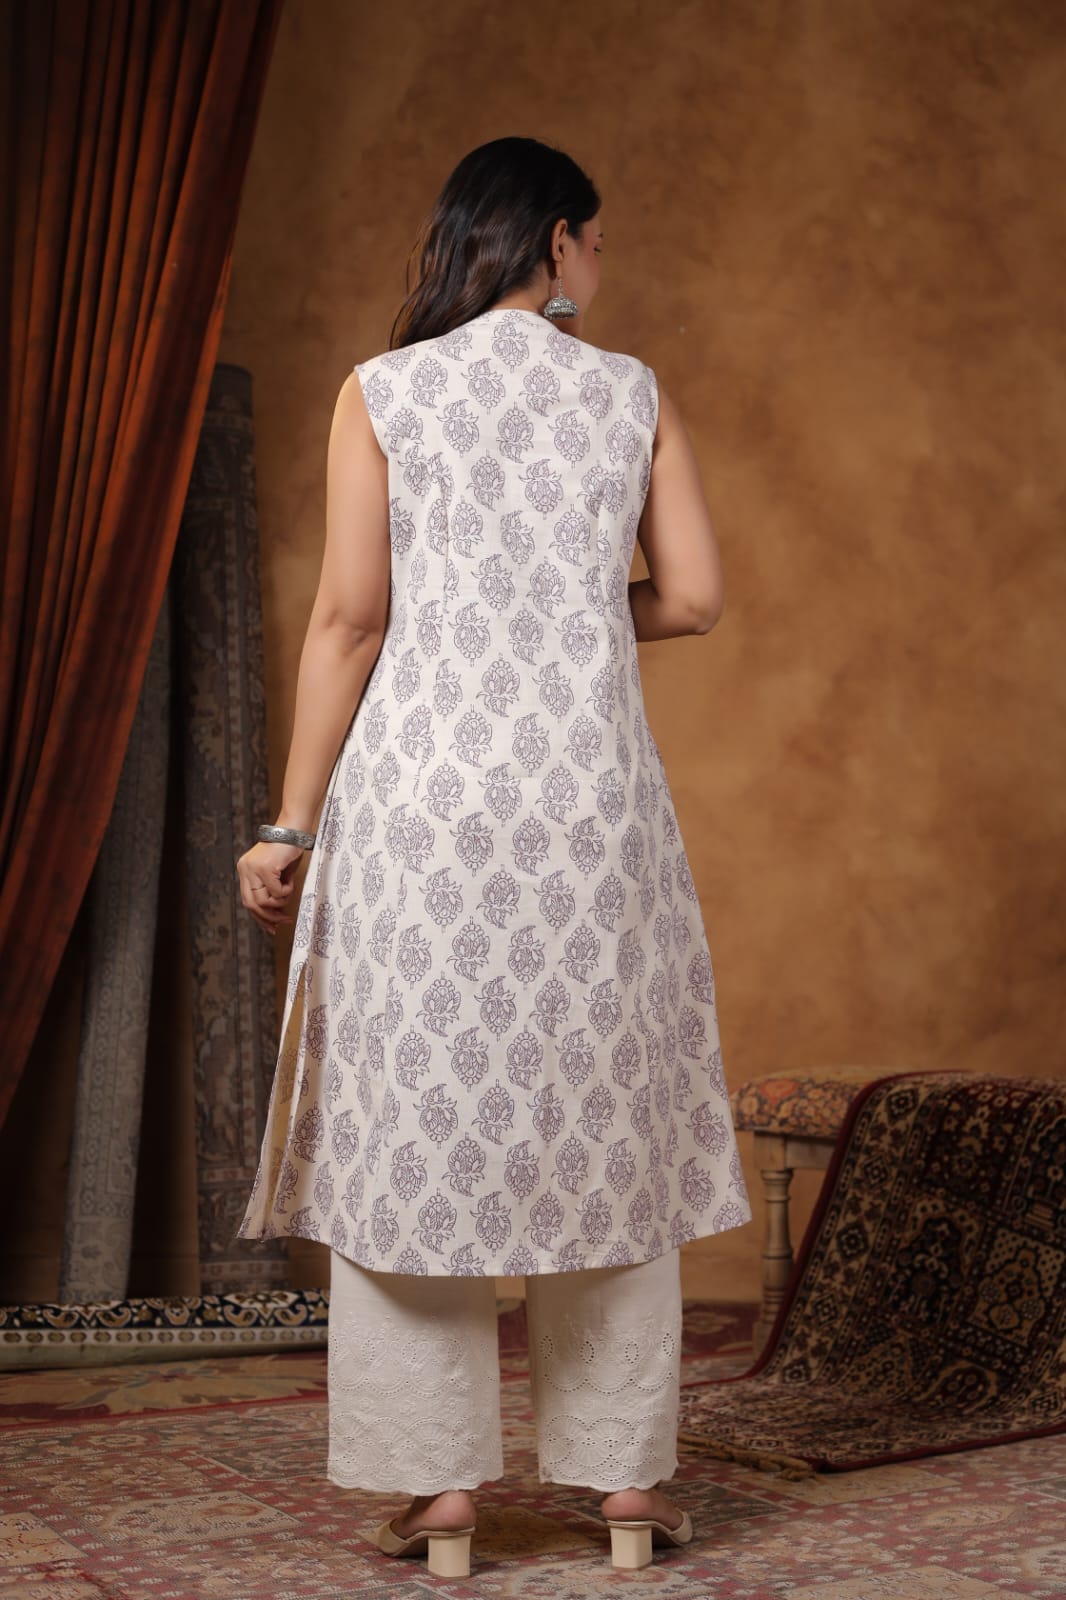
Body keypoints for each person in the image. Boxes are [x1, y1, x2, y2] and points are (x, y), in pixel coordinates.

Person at [235, 136, 753, 1577]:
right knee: (610, 1127)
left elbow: (351, 621)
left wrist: (289, 824)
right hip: (590, 809)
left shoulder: (384, 391)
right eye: (597, 242)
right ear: (562, 242)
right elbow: (694, 600)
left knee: (413, 1125)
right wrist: (569, 609)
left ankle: (441, 1494)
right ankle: (624, 1491)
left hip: (422, 813)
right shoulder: (629, 393)